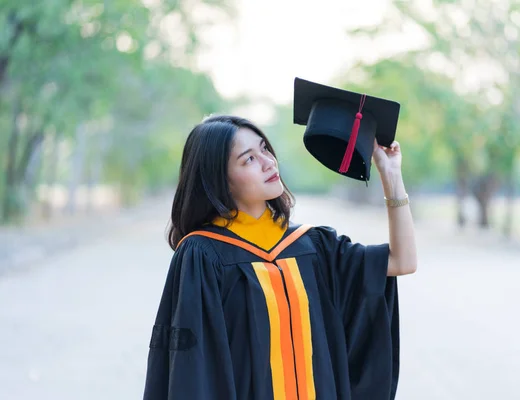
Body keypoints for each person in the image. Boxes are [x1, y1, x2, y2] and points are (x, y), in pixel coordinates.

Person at [142, 80, 418, 400]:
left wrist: (391, 175)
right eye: (248, 159)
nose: (268, 163)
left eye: (264, 149)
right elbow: (196, 372)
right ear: (220, 178)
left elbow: (403, 261)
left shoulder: (312, 245)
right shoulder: (203, 255)